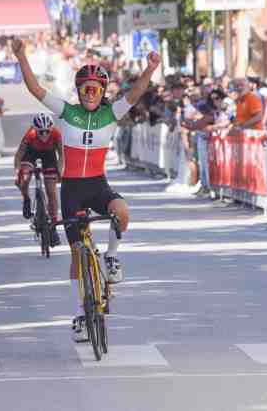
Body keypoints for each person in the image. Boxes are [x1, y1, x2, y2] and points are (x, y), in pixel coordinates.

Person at [12, 37, 161, 343]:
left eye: (96, 89)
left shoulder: (110, 114)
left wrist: (151, 69)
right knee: (77, 254)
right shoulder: (66, 112)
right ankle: (82, 312)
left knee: (122, 211)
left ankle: (111, 258)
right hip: (72, 191)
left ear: (103, 92)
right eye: (85, 89)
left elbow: (135, 93)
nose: (91, 93)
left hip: (97, 185)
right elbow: (35, 89)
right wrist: (21, 56)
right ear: (78, 91)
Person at [14, 112, 63, 247]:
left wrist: (60, 172)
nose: (44, 134)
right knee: (23, 178)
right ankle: (26, 199)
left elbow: (61, 156)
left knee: (51, 191)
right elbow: (19, 155)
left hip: (49, 155)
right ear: (35, 129)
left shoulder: (56, 134)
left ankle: (53, 226)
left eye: (47, 131)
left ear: (51, 129)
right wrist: (17, 172)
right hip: (31, 153)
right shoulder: (30, 135)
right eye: (40, 132)